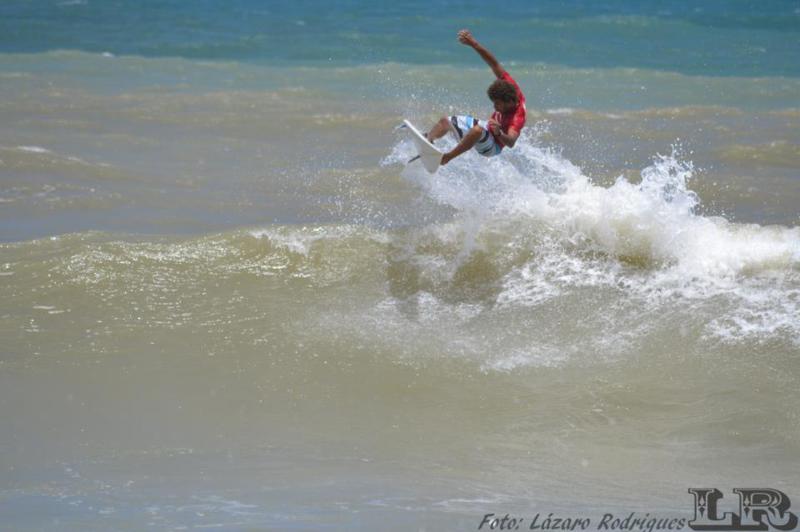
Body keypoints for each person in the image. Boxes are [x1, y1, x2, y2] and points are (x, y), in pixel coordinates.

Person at [426, 29, 527, 166]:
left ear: (508, 102)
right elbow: (494, 64)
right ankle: (428, 141)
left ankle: (447, 158)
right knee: (445, 122)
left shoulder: (517, 117)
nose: (494, 107)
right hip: (488, 129)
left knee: (477, 130)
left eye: (497, 104)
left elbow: (511, 142)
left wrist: (498, 133)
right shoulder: (510, 86)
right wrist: (474, 44)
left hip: (493, 146)